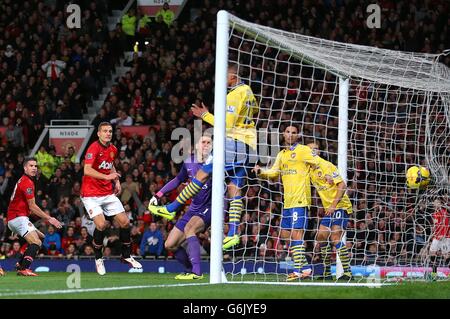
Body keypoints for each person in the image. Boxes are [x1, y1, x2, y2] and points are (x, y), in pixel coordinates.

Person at [149, 64, 258, 250]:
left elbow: (226, 125)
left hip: (232, 144)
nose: (221, 81)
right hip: (250, 146)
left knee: (201, 174)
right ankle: (233, 233)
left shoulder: (233, 94)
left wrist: (205, 115)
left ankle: (171, 208)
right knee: (234, 188)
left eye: (224, 76)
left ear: (232, 77)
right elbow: (254, 111)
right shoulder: (249, 93)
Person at [253, 126, 322, 281]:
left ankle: (299, 271)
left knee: (297, 234)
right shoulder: (282, 154)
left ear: (298, 135)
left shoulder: (303, 150)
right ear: (283, 134)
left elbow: (318, 161)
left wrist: (324, 174)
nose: (290, 134)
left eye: (294, 132)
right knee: (285, 234)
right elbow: (274, 172)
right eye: (288, 132)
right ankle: (304, 267)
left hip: (300, 199)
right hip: (288, 202)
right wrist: (261, 171)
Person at [80, 122, 142, 275]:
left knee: (125, 222)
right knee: (101, 225)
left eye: (110, 131)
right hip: (91, 194)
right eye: (105, 131)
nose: (108, 133)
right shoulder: (93, 148)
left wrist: (116, 181)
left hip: (107, 193)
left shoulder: (113, 149)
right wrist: (108, 176)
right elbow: (87, 170)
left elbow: (111, 165)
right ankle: (98, 258)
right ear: (99, 134)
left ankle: (126, 256)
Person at [150, 135, 212, 280]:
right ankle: (190, 270)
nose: (206, 145)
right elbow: (178, 179)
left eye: (209, 142)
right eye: (203, 142)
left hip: (211, 206)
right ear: (196, 146)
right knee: (169, 244)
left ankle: (197, 273)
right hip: (194, 208)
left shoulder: (215, 163)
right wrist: (159, 194)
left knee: (190, 229)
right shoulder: (189, 161)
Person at [6, 157, 62, 276]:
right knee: (36, 242)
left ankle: (20, 263)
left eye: (35, 166)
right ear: (25, 168)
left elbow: (29, 207)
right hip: (18, 217)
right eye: (31, 166)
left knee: (40, 238)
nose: (34, 168)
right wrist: (49, 218)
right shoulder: (27, 182)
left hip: (15, 218)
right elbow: (32, 206)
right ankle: (24, 268)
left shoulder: (25, 180)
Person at [307, 143, 353, 281]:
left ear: (318, 153)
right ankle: (327, 273)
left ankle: (348, 273)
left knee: (335, 238)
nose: (311, 152)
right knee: (320, 237)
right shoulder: (310, 170)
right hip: (329, 209)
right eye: (309, 150)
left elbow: (342, 185)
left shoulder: (326, 165)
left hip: (340, 205)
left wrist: (333, 205)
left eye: (314, 149)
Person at [427, 198, 450, 281]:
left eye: (436, 202)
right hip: (436, 237)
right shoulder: (435, 213)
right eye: (434, 202)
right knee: (432, 253)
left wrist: (443, 235)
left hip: (444, 238)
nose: (434, 204)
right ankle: (434, 274)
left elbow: (446, 225)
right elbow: (436, 226)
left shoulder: (444, 213)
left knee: (446, 256)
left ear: (440, 204)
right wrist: (432, 235)